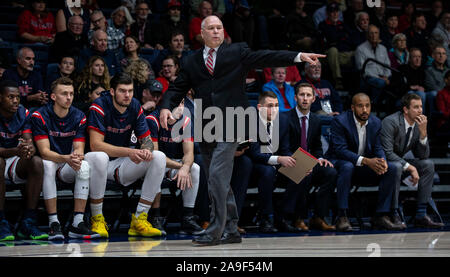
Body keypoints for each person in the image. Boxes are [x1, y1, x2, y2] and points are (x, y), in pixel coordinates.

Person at [159, 15, 325, 246]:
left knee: (217, 175)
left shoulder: (237, 50)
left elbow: (265, 56)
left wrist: (296, 56)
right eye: (212, 28)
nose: (217, 31)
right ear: (203, 32)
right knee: (219, 181)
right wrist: (166, 108)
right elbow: (177, 88)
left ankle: (215, 230)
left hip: (232, 122)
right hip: (206, 123)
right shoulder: (191, 60)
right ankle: (232, 229)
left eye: (220, 28)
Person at [87, 72, 167, 238]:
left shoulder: (135, 106)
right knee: (100, 157)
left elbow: (147, 140)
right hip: (95, 163)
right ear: (112, 91)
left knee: (158, 156)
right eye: (122, 91)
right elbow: (96, 145)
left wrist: (146, 149)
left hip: (120, 163)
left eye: (130, 91)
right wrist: (131, 151)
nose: (127, 95)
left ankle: (139, 219)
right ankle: (97, 218)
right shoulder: (99, 106)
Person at [31, 77, 103, 240]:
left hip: (65, 163)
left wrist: (76, 157)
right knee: (48, 164)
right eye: (64, 94)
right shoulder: (39, 115)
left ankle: (77, 223)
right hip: (51, 161)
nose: (69, 97)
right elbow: (44, 151)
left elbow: (79, 147)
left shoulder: (79, 116)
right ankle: (53, 223)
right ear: (53, 97)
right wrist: (66, 158)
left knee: (83, 166)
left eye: (71, 93)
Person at [326, 93, 403, 232]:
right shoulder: (340, 121)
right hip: (340, 164)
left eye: (367, 106)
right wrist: (366, 161)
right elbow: (340, 150)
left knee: (393, 168)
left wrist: (382, 161)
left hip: (363, 167)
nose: (365, 110)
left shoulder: (376, 122)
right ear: (352, 107)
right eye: (360, 106)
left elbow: (378, 147)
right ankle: (342, 215)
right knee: (347, 166)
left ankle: (381, 215)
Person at [380, 93, 444, 228]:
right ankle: (394, 212)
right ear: (405, 109)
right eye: (416, 107)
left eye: (421, 107)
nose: (420, 110)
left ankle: (421, 214)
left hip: (400, 164)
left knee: (428, 165)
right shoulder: (390, 122)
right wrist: (410, 167)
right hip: (384, 165)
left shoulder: (418, 124)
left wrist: (423, 134)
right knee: (397, 166)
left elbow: (423, 156)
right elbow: (387, 153)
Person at [279, 83, 337, 232]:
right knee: (303, 172)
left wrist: (319, 158)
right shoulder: (285, 118)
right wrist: (303, 162)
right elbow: (283, 148)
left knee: (330, 172)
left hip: (307, 162)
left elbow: (317, 146)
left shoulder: (316, 120)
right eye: (302, 95)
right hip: (287, 161)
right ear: (295, 98)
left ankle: (318, 217)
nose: (305, 98)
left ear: (313, 99)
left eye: (308, 95)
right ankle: (295, 218)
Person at [146, 100, 205, 235]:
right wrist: (181, 166)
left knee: (194, 168)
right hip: (150, 163)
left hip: (172, 163)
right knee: (156, 164)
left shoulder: (185, 121)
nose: (181, 107)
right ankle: (155, 216)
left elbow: (189, 153)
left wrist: (185, 167)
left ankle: (187, 218)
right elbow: (154, 155)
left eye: (182, 104)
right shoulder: (152, 120)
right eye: (177, 104)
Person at [0, 80, 48, 241]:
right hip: (3, 157)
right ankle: (1, 222)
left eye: (18, 97)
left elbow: (28, 140)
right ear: (0, 98)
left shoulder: (24, 113)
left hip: (14, 158)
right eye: (10, 97)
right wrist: (15, 150)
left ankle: (28, 221)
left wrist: (29, 149)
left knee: (36, 162)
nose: (15, 101)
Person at [245, 91, 292, 233]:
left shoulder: (282, 120)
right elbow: (254, 154)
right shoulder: (250, 120)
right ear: (260, 107)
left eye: (277, 105)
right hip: (254, 165)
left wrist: (294, 161)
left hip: (276, 162)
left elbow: (285, 149)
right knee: (267, 171)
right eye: (270, 106)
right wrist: (279, 159)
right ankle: (266, 218)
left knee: (302, 172)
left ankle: (283, 216)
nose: (274, 109)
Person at [355, 24, 391, 106]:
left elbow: (387, 66)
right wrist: (380, 78)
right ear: (367, 35)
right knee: (380, 82)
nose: (374, 35)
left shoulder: (383, 48)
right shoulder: (360, 49)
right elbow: (362, 68)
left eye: (376, 33)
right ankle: (374, 104)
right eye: (371, 33)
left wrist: (386, 76)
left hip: (384, 77)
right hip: (367, 78)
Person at [424, 45, 448, 115]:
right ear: (433, 56)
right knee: (433, 94)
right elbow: (432, 86)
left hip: (446, 94)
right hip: (437, 94)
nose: (441, 56)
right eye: (439, 53)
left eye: (443, 54)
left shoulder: (448, 71)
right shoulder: (428, 71)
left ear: (446, 57)